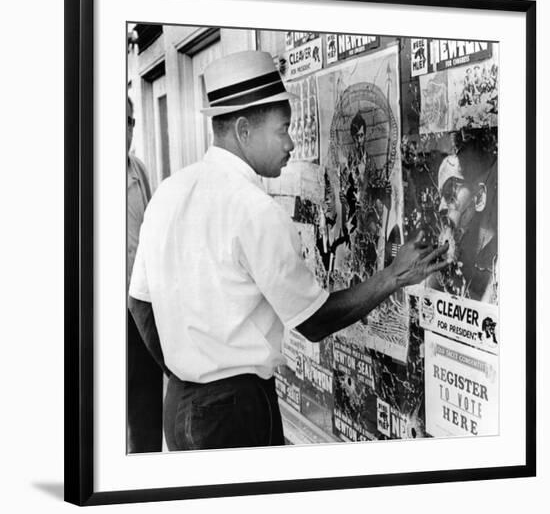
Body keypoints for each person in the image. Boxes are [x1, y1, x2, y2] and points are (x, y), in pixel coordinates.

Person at [128, 50, 449, 451]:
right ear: (244, 130)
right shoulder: (254, 209)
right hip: (235, 414)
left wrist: (188, 370)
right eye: (283, 130)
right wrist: (393, 276)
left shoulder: (168, 192)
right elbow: (313, 321)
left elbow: (140, 304)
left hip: (180, 407)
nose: (291, 143)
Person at [126, 97, 164, 453]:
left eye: (130, 121)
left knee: (145, 401)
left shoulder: (137, 169)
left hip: (138, 303)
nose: (125, 130)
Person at [430, 135, 497, 303]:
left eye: (450, 193)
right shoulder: (462, 249)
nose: (441, 207)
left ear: (480, 197)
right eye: (441, 197)